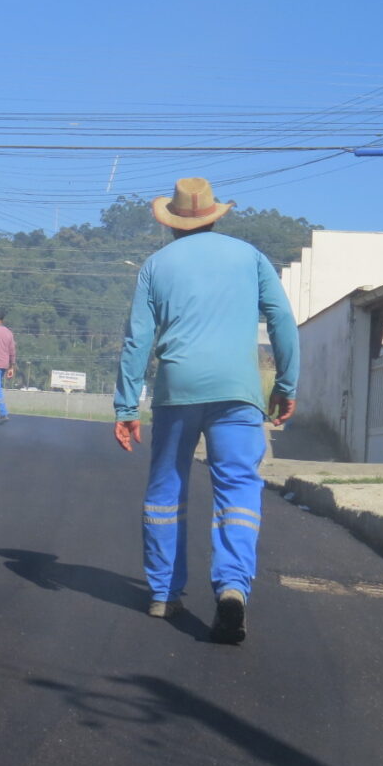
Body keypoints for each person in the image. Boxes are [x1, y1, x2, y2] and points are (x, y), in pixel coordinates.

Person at [113, 177, 298, 644]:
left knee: (166, 488)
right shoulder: (250, 257)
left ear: (172, 224)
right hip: (238, 392)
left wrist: (125, 404)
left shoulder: (155, 266)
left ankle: (163, 593)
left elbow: (138, 339)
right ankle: (233, 588)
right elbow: (281, 319)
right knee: (237, 489)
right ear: (215, 215)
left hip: (177, 390)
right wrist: (286, 383)